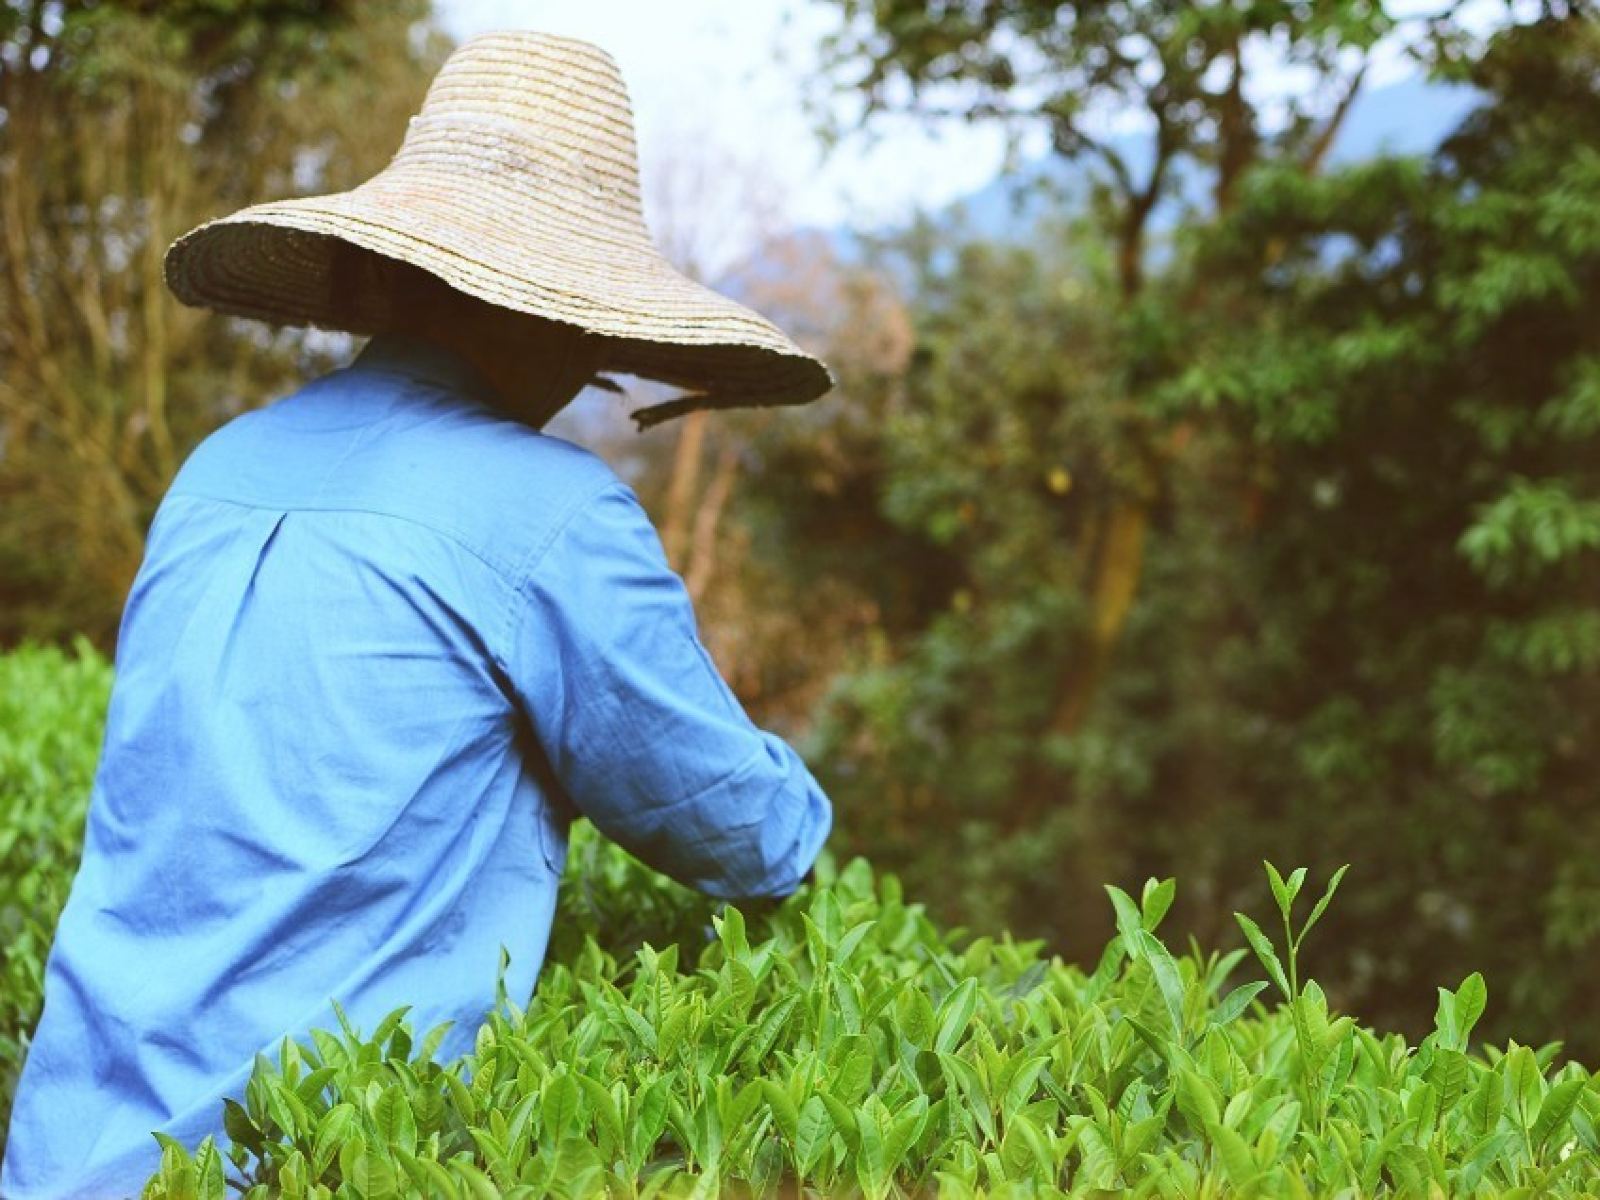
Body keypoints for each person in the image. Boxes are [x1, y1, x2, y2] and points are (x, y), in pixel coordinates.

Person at [2, 31, 834, 1198]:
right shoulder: (552, 514)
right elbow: (739, 834)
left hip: (62, 1151)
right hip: (301, 1165)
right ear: (568, 321)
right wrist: (805, 814)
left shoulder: (216, 468)